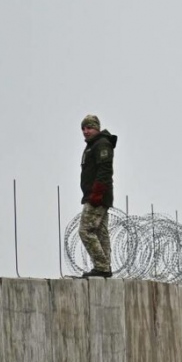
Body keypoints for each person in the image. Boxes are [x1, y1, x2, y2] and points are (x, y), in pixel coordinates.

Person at [78, 114, 118, 278]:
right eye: (83, 128)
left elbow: (105, 171)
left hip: (97, 196)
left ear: (97, 128)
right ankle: (105, 267)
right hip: (97, 195)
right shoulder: (93, 145)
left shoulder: (101, 144)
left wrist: (96, 194)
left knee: (85, 231)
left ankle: (101, 266)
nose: (85, 131)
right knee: (101, 232)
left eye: (89, 128)